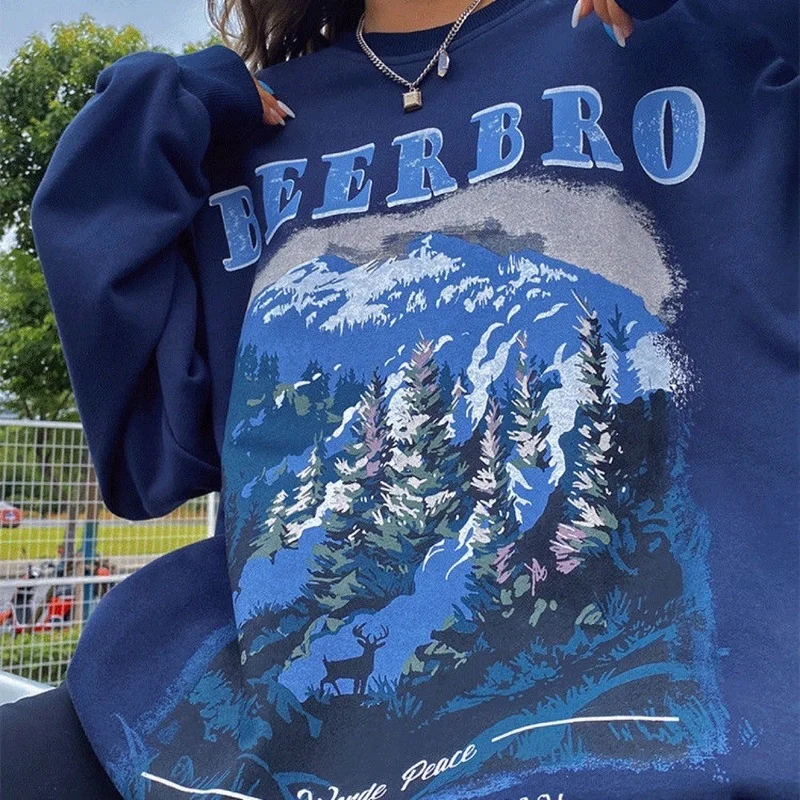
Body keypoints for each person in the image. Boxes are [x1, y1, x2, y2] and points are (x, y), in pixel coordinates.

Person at [1, 0, 796, 797]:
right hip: (263, 746)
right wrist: (154, 118)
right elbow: (147, 455)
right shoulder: (240, 129)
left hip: (676, 738)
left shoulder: (691, 41)